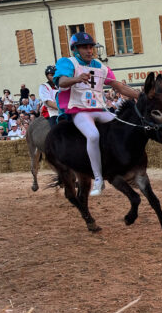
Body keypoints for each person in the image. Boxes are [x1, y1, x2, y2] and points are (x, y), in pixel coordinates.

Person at [53, 31, 139, 196]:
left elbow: (119, 87)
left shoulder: (100, 66)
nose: (89, 50)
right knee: (93, 136)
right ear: (75, 50)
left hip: (99, 109)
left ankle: (127, 168)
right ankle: (98, 179)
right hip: (78, 110)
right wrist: (77, 79)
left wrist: (141, 96)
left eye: (90, 47)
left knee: (123, 128)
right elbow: (62, 81)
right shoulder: (68, 62)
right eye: (84, 47)